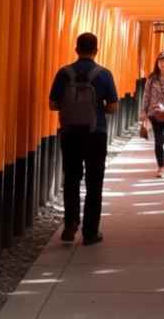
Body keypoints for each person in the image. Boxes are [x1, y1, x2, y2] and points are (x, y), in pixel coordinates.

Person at [49, 32, 118, 246]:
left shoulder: (64, 73)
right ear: (96, 50)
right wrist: (98, 108)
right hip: (95, 134)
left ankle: (70, 224)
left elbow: (53, 104)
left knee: (71, 179)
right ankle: (90, 232)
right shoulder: (104, 74)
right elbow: (113, 106)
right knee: (94, 182)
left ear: (76, 49)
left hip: (70, 134)